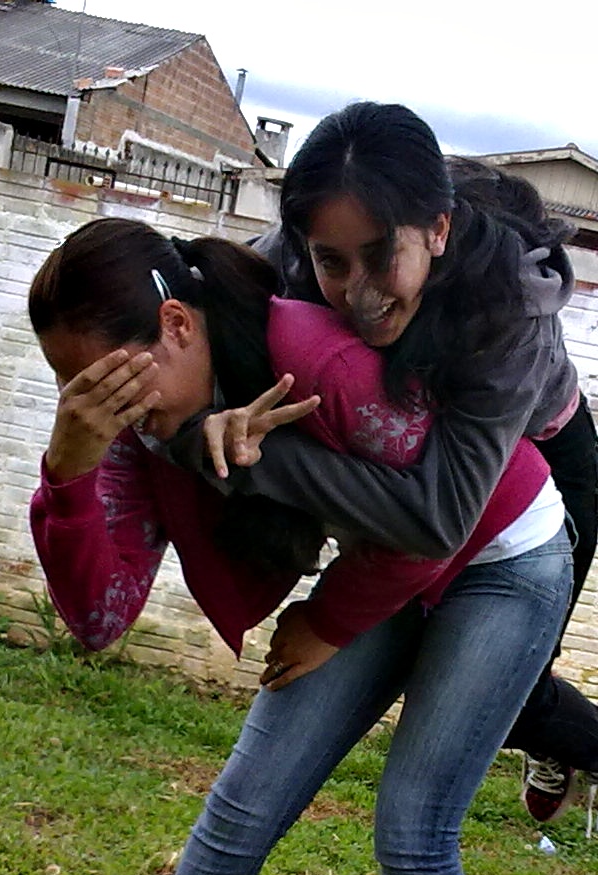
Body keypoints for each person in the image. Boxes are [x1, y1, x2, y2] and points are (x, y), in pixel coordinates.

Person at [27, 215, 571, 875]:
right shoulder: (142, 431)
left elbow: (435, 514)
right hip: (382, 564)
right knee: (242, 806)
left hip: (497, 554)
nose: (98, 404)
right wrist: (67, 472)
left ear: (177, 327)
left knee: (414, 826)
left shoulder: (310, 353)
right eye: (75, 388)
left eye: (104, 378)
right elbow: (99, 616)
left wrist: (327, 620)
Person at [230, 104, 598, 825]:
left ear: (438, 230)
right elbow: (199, 288)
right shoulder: (292, 254)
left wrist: (253, 460)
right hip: (432, 471)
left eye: (379, 257)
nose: (359, 293)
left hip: (549, 461)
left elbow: (436, 516)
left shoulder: (508, 301)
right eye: (333, 262)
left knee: (515, 699)